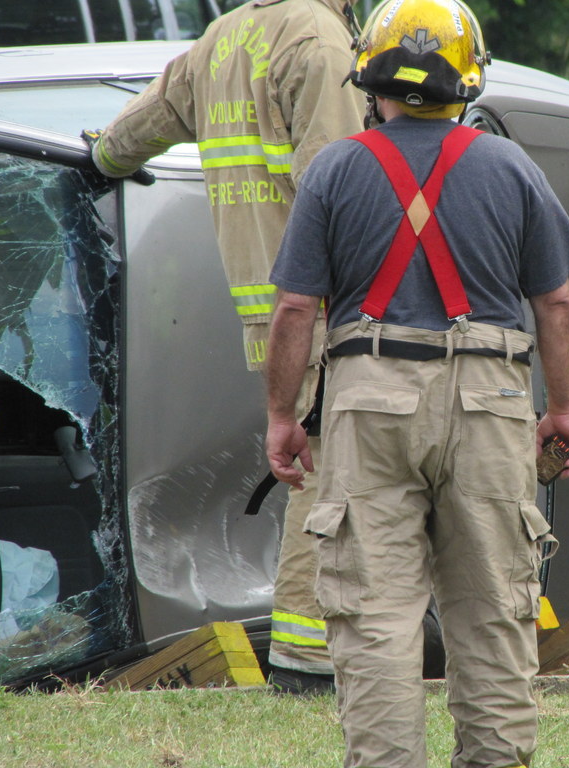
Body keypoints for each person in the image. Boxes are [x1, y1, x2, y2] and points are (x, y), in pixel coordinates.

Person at [263, 1, 569, 765]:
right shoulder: (511, 168)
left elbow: (293, 309)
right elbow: (558, 305)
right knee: (493, 614)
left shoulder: (335, 169)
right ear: (466, 81)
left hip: (368, 398)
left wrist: (282, 415)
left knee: (374, 617)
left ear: (369, 74)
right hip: (492, 401)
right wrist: (564, 409)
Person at [85, 0, 366, 695]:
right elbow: (343, 193)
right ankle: (306, 663)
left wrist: (97, 156)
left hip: (269, 311)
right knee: (333, 478)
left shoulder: (222, 36)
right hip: (325, 306)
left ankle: (337, 643)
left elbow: (132, 134)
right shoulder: (318, 37)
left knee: (331, 472)